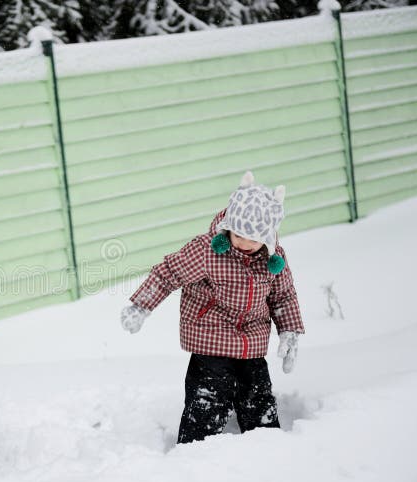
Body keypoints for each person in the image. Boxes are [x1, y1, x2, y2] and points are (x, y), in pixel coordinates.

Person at [120, 171, 305, 444]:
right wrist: (141, 306)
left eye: (252, 239)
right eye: (237, 234)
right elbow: (167, 273)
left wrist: (289, 331)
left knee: (258, 393)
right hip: (211, 336)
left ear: (267, 237)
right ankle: (196, 448)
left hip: (251, 341)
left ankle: (268, 445)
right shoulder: (207, 250)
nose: (242, 243)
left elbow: (283, 295)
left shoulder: (273, 259)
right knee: (209, 395)